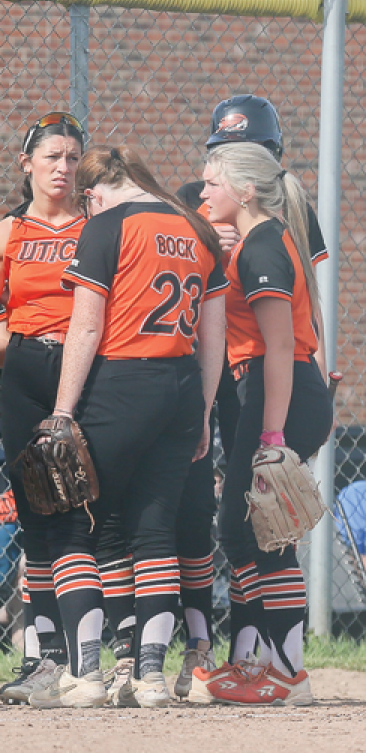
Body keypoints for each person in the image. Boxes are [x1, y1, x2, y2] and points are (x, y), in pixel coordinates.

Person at [29, 146, 226, 709]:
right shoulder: (196, 227)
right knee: (153, 529)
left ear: (93, 193)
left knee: (71, 517)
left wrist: (63, 413)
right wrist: (205, 413)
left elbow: (86, 330)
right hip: (182, 385)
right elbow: (213, 338)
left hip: (121, 380)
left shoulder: (107, 226)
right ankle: (148, 675)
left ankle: (87, 672)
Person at [173, 94, 329, 698]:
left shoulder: (262, 244)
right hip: (272, 390)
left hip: (276, 393)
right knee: (257, 530)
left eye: (214, 182)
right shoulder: (260, 233)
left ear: (245, 189)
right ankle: (271, 668)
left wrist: (269, 439)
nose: (204, 190)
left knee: (246, 534)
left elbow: (281, 349)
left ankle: (286, 674)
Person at [0, 112, 91, 704]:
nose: (63, 169)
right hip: (25, 370)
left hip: (86, 374)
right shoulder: (5, 235)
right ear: (27, 164)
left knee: (88, 512)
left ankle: (96, 658)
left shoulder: (96, 226)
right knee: (37, 517)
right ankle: (46, 657)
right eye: (52, 157)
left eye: (73, 158)